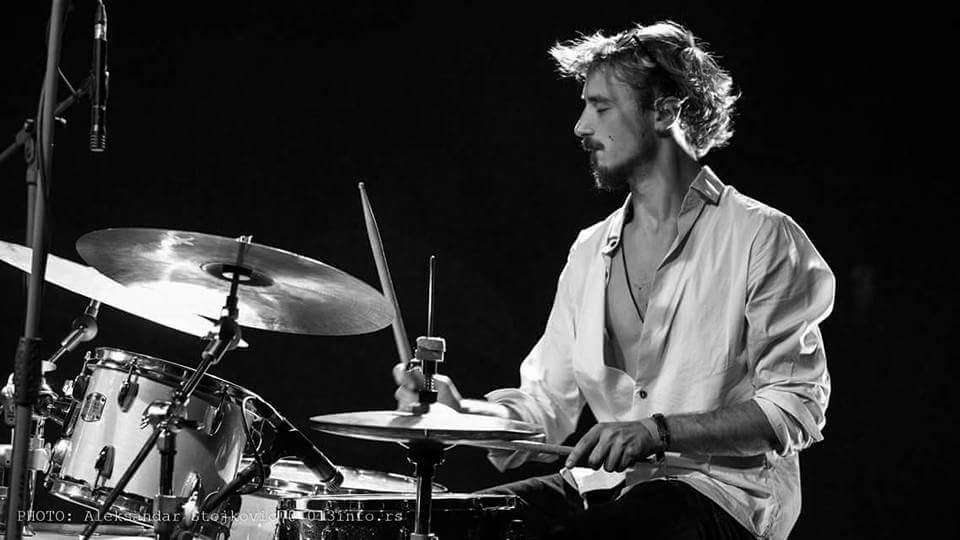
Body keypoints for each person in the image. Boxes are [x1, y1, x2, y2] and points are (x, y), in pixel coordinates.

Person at [395, 20, 834, 540]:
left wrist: (657, 432)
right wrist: (461, 415)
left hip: (722, 496)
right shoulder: (588, 251)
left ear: (665, 111)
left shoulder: (761, 236)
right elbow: (546, 405)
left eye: (600, 107)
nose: (580, 127)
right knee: (446, 524)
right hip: (604, 487)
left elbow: (795, 407)